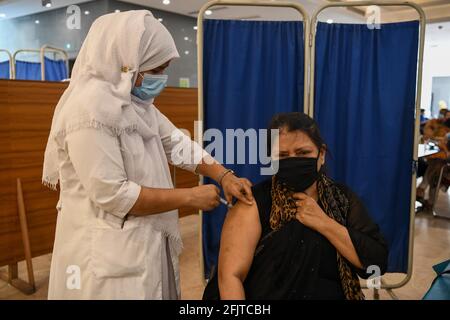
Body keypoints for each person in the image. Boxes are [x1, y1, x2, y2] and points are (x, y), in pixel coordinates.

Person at [42, 10, 253, 300]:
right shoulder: (87, 112)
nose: (161, 78)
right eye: (155, 69)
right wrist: (190, 198)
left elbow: (177, 143)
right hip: (104, 255)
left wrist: (223, 175)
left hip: (142, 238)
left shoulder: (135, 103)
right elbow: (113, 194)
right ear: (127, 62)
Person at [204, 112, 388, 300]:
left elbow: (374, 264)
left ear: (321, 154)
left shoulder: (342, 200)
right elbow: (230, 278)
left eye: (303, 153)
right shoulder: (253, 202)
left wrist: (324, 223)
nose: (293, 160)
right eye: (282, 156)